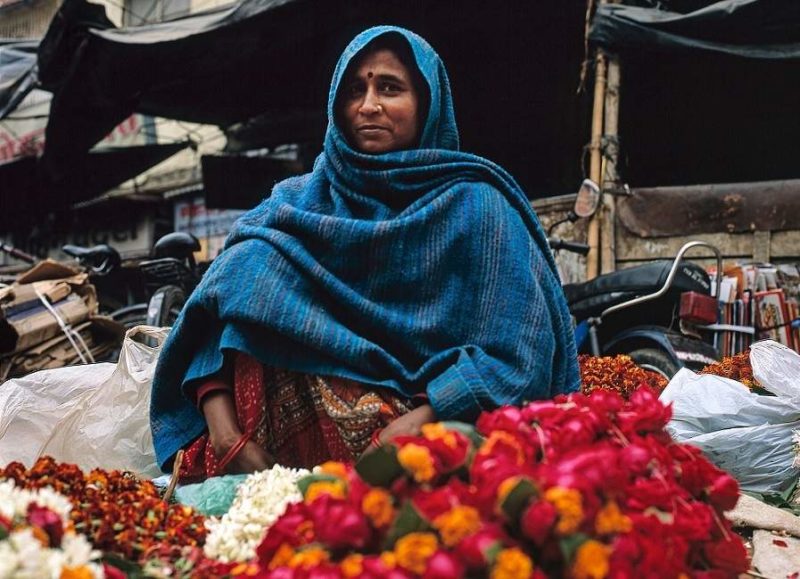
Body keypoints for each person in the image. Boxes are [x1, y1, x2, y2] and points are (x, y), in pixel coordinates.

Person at [150, 26, 579, 481]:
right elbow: (212, 319)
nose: (368, 105)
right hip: (261, 481)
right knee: (252, 269)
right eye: (355, 89)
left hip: (418, 465)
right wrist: (224, 437)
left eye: (390, 88)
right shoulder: (292, 206)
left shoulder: (478, 209)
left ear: (427, 104)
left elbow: (520, 354)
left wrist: (420, 422)